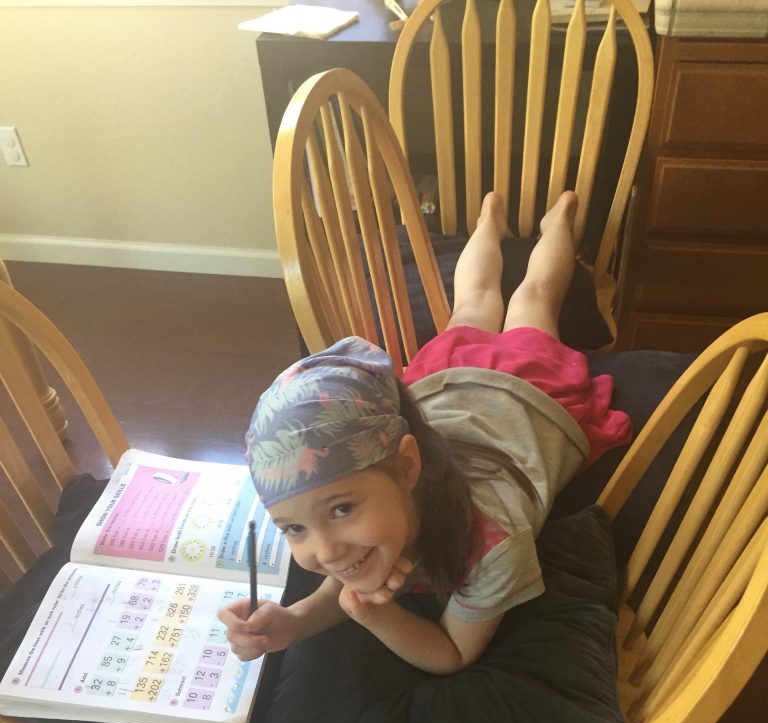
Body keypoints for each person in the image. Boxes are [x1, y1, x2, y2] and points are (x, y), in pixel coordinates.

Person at [218, 191, 632, 674]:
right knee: (474, 300)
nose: (326, 551)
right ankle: (488, 222)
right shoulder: (370, 512)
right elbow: (345, 576)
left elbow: (452, 653)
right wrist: (292, 622)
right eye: (295, 528)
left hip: (525, 392)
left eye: (342, 509)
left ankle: (558, 222)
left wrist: (372, 613)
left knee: (534, 298)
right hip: (446, 389)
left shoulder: (495, 543)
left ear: (407, 465)